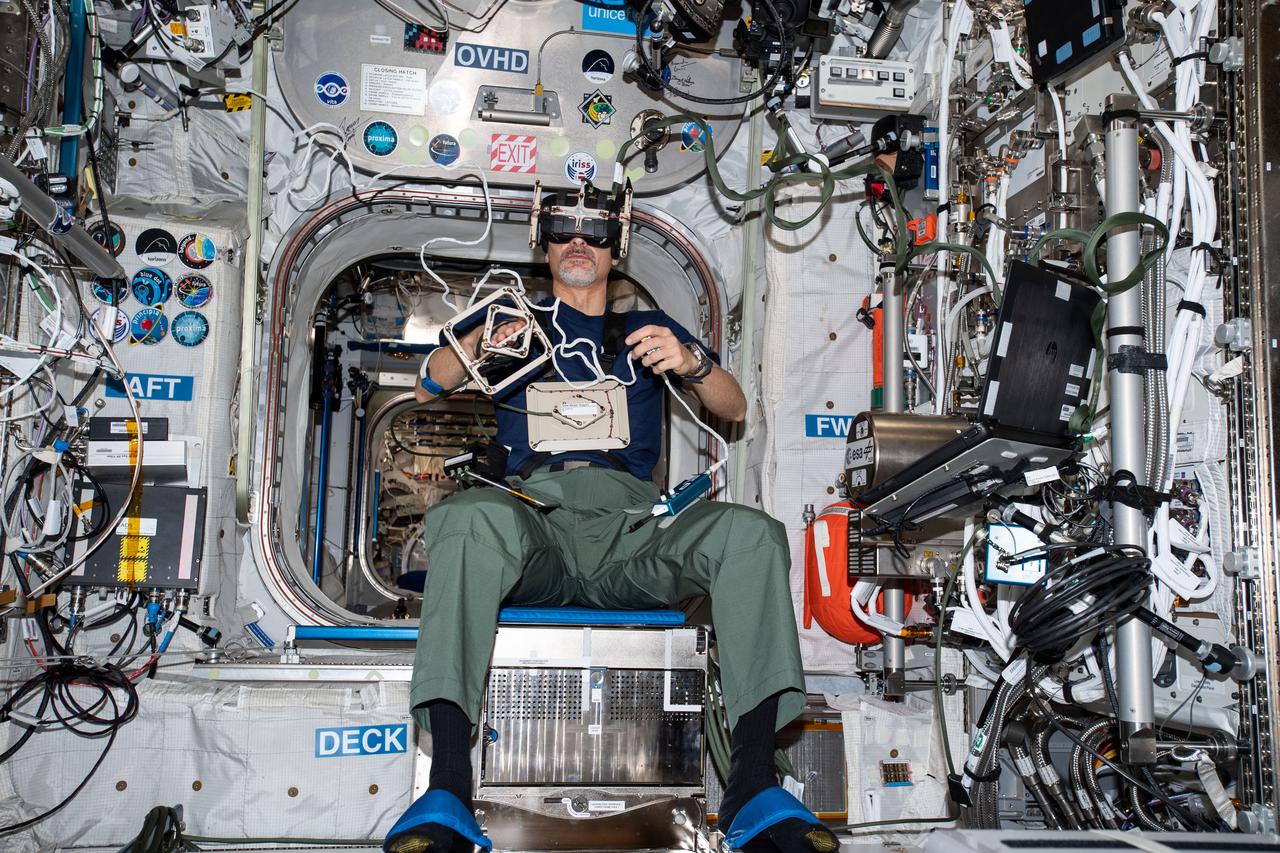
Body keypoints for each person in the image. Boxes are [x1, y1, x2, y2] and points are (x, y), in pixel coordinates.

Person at [384, 184, 837, 853]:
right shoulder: (515, 321)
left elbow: (733, 407)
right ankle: (449, 780)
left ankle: (750, 784)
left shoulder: (645, 330)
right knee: (469, 517)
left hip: (633, 530)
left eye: (594, 233)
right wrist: (478, 341)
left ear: (614, 247)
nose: (578, 243)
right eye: (564, 229)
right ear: (545, 242)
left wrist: (693, 361)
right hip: (535, 521)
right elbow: (428, 383)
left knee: (750, 534)